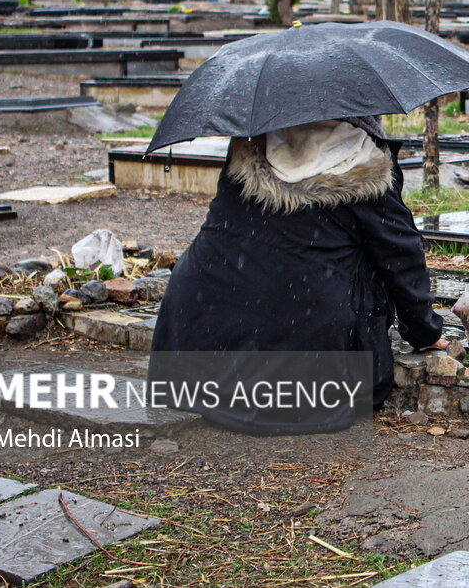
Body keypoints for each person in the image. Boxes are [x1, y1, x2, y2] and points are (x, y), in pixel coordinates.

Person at [149, 116, 446, 434]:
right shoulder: (364, 166)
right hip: (303, 345)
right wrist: (424, 331)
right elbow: (401, 259)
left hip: (198, 330)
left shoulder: (251, 151)